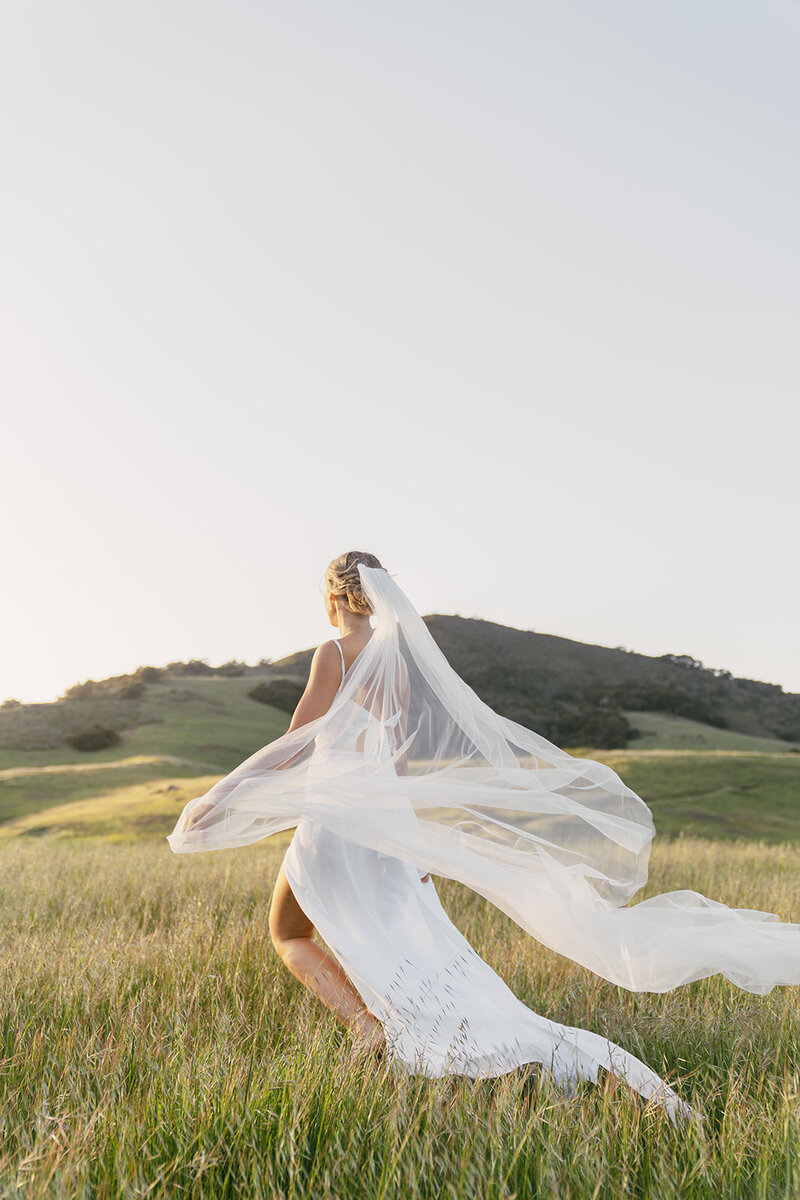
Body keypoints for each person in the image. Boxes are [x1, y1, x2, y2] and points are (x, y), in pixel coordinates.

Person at [168, 551, 800, 1124]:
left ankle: (367, 1028)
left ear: (333, 596)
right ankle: (453, 1037)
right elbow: (399, 763)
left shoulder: (334, 653)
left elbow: (293, 744)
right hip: (386, 826)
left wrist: (221, 794)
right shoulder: (398, 666)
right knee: (413, 944)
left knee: (289, 934)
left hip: (337, 824)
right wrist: (412, 845)